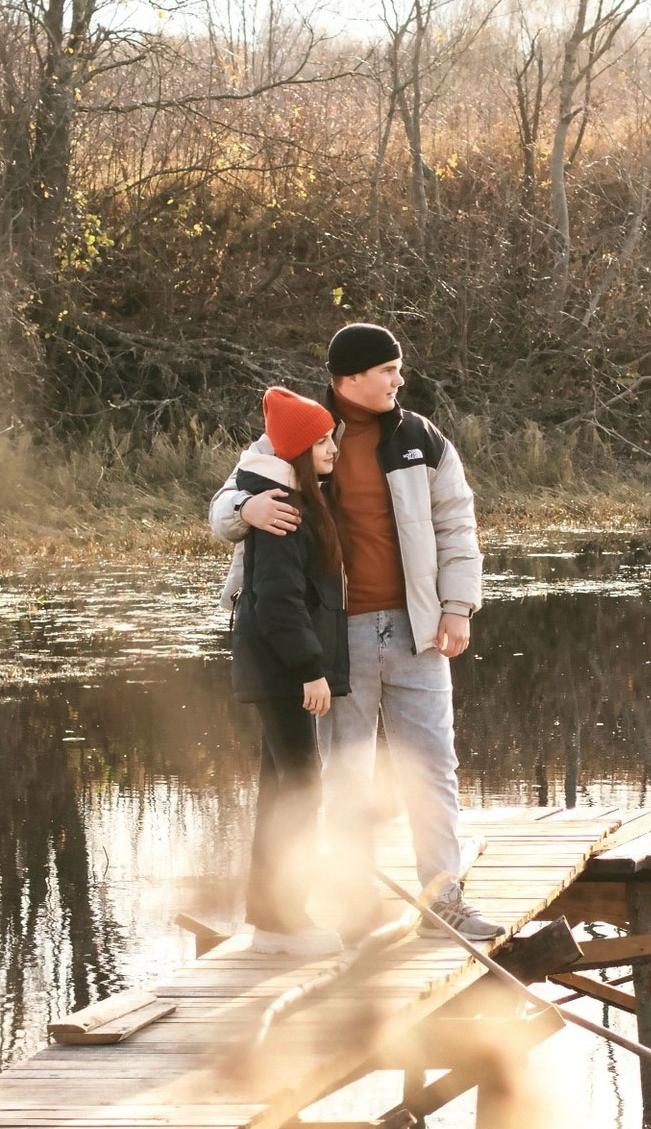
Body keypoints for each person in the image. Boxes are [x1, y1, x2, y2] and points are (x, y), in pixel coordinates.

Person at [212, 322, 504, 943]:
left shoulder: (421, 439)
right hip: (334, 638)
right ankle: (354, 907)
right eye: (388, 370)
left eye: (398, 369)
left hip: (416, 631)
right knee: (344, 777)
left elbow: (458, 523)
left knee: (432, 765)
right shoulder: (303, 431)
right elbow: (224, 503)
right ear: (350, 379)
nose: (400, 379)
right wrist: (245, 510)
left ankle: (442, 904)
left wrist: (459, 606)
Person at [229, 387, 349, 950]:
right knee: (300, 787)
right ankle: (284, 918)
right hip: (281, 670)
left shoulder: (296, 497)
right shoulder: (282, 509)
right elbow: (276, 601)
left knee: (283, 787)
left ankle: (273, 917)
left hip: (279, 668)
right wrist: (309, 669)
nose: (333, 449)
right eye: (323, 441)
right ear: (300, 449)